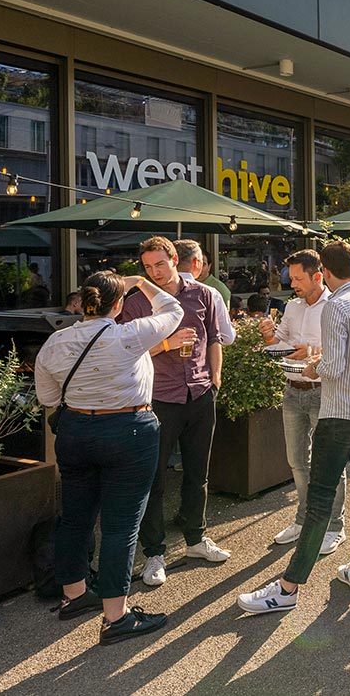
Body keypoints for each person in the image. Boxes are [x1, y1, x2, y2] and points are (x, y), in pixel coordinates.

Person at [237, 240, 350, 611]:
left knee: (319, 499)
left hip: (340, 412)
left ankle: (288, 589)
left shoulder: (337, 306)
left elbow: (332, 367)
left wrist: (312, 367)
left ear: (325, 268)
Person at [34, 270, 182, 644]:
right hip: (128, 432)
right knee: (120, 526)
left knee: (75, 519)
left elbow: (49, 399)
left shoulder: (55, 341)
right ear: (118, 304)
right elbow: (173, 309)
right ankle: (116, 618)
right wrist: (142, 283)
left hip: (76, 433)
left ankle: (75, 595)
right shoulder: (127, 334)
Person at [120, 236, 230, 588]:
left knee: (198, 473)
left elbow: (215, 338)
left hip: (199, 393)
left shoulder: (204, 294)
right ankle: (155, 553)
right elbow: (126, 352)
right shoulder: (136, 303)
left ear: (174, 260)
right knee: (154, 480)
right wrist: (167, 343)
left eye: (160, 265)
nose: (155, 272)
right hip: (159, 398)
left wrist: (215, 378)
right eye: (148, 267)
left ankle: (197, 540)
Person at [260, 249, 348, 552]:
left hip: (325, 391)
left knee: (330, 461)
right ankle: (304, 519)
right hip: (292, 389)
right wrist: (270, 335)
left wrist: (309, 350)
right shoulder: (293, 307)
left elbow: (339, 349)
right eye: (291, 278)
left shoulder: (334, 307)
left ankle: (335, 525)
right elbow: (280, 341)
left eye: (298, 278)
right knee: (297, 461)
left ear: (317, 276)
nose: (292, 283)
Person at [175, 240, 236, 348]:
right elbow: (227, 337)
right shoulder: (210, 293)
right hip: (198, 359)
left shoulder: (152, 291)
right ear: (196, 262)